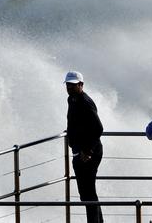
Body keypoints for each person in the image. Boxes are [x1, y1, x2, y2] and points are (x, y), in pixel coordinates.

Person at [65, 71, 104, 223]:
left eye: (73, 85)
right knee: (86, 193)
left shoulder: (85, 102)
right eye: (68, 85)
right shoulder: (72, 99)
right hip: (79, 152)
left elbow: (98, 128)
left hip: (89, 153)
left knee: (88, 192)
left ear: (81, 85)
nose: (70, 87)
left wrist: (88, 151)